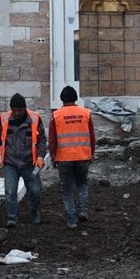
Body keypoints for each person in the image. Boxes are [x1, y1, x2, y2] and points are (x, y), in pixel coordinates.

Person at [0, 93, 44, 227]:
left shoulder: (35, 119)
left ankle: (34, 213)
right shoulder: (4, 119)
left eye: (20, 110)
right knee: (10, 191)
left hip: (30, 162)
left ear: (25, 108)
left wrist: (40, 156)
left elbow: (41, 140)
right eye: (14, 110)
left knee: (35, 190)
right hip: (10, 163)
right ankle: (12, 218)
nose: (17, 113)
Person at [48, 85, 97, 229]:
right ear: (76, 98)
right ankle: (82, 211)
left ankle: (71, 220)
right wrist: (91, 153)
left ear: (62, 99)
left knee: (67, 189)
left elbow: (52, 140)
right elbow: (92, 137)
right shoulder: (86, 113)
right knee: (82, 184)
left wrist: (53, 156)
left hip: (64, 158)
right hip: (83, 156)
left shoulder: (56, 115)